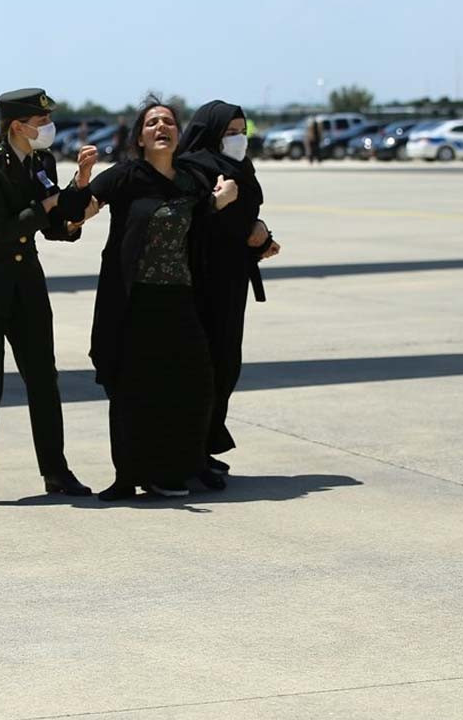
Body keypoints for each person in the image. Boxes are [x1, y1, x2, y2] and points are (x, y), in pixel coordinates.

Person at [0, 87, 99, 509]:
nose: (48, 128)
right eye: (41, 122)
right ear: (18, 126)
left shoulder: (42, 161)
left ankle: (56, 471)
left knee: (43, 378)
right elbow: (0, 228)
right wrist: (48, 206)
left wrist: (79, 190)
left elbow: (53, 226)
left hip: (25, 282)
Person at [87, 98, 238, 501]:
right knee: (131, 389)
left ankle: (176, 469)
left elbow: (207, 218)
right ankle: (128, 476)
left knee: (195, 384)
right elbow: (84, 206)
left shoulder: (192, 179)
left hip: (180, 298)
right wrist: (82, 183)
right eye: (152, 123)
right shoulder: (126, 176)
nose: (161, 128)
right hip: (134, 300)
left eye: (168, 122)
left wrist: (224, 202)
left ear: (178, 133)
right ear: (139, 137)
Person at [178, 101, 281, 489]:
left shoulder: (241, 167)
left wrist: (260, 236)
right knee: (203, 369)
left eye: (242, 131)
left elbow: (242, 219)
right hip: (202, 282)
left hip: (232, 281)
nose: (239, 139)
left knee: (226, 365)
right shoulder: (191, 168)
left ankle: (204, 446)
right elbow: (198, 223)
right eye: (230, 132)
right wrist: (247, 228)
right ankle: (189, 454)